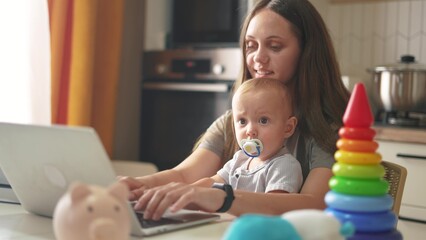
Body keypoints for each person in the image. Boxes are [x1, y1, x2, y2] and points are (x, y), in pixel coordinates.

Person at [120, 0, 350, 221]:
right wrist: (139, 185)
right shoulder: (233, 122)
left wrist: (223, 197)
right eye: (251, 46)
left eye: (275, 46)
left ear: (307, 52)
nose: (258, 58)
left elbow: (315, 204)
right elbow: (184, 175)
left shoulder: (327, 129)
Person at [194, 78, 302, 194]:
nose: (250, 131)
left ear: (288, 128)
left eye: (263, 120)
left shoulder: (284, 166)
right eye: (242, 121)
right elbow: (213, 182)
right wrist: (189, 191)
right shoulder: (240, 159)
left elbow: (272, 204)